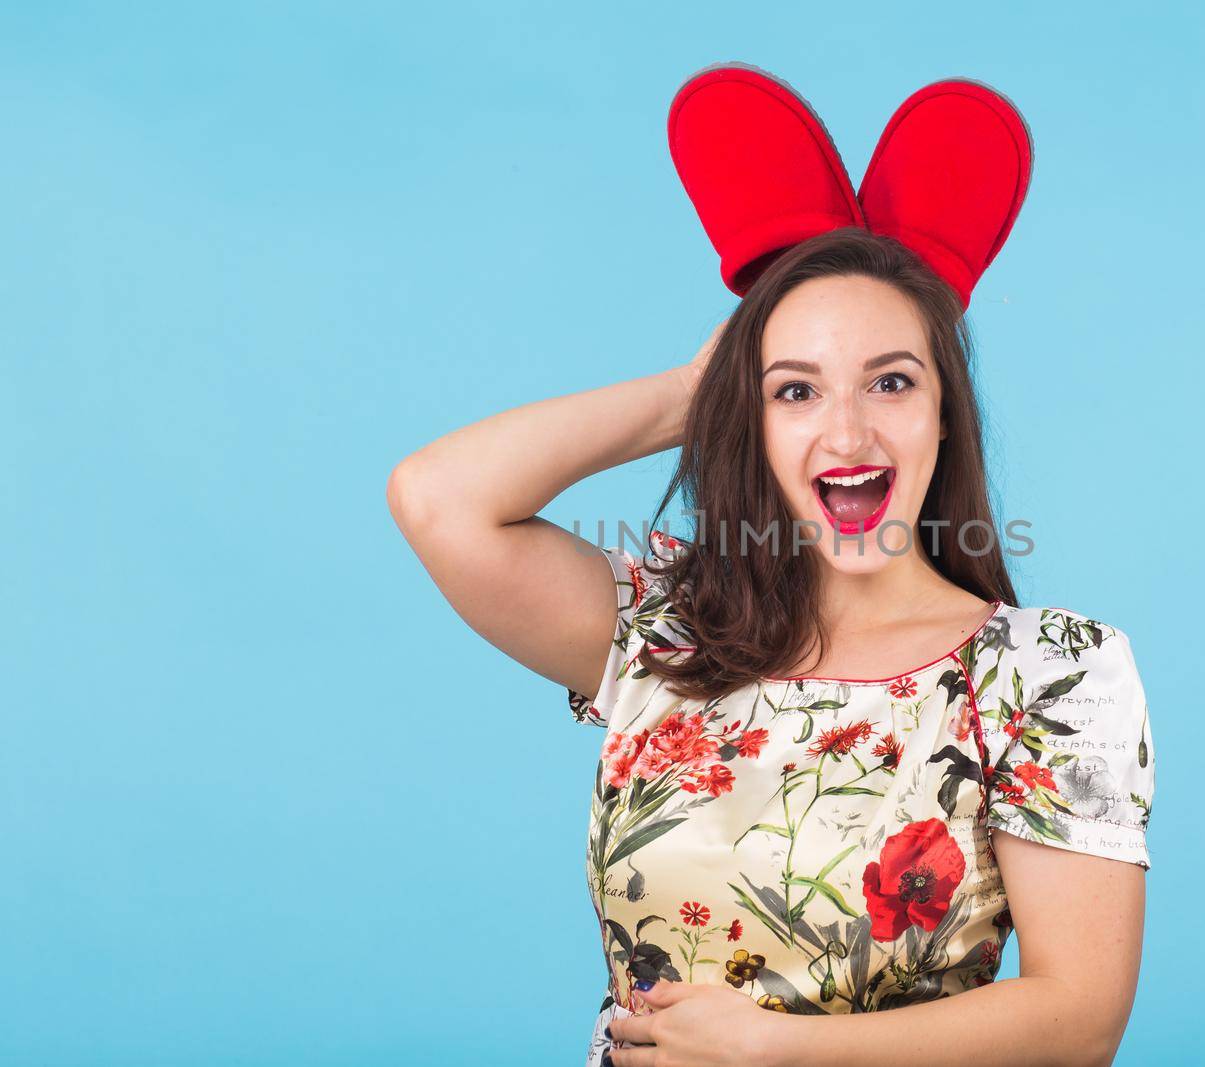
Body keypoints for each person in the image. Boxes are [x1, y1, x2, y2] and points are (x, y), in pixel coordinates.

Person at [389, 68, 1155, 1067]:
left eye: (890, 380)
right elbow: (439, 498)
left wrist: (778, 1051)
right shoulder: (662, 628)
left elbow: (1077, 1020)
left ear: (942, 412)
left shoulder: (1049, 672)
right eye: (795, 391)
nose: (845, 429)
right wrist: (700, 388)